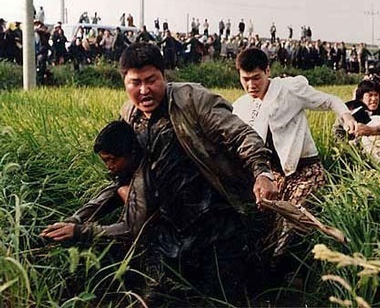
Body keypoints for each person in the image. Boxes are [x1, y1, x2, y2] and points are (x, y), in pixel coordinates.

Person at [117, 42, 277, 305]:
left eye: (151, 80)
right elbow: (120, 168)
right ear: (125, 83)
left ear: (164, 77)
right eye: (135, 83)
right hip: (168, 228)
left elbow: (242, 134)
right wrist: (126, 191)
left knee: (224, 298)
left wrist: (262, 173)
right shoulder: (129, 117)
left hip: (216, 219)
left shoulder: (192, 99)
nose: (144, 91)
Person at [232, 47, 356, 285]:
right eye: (245, 79)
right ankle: (275, 275)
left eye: (256, 78)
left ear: (267, 71)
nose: (251, 85)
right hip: (274, 176)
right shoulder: (242, 106)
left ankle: (282, 276)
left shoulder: (290, 89)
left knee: (293, 221)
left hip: (307, 171)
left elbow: (330, 100)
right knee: (266, 225)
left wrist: (347, 116)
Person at [40, 120, 143, 243]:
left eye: (112, 159)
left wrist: (80, 231)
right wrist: (76, 219)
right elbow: (109, 194)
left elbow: (132, 229)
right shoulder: (127, 166)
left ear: (130, 153)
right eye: (105, 161)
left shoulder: (146, 173)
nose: (109, 166)